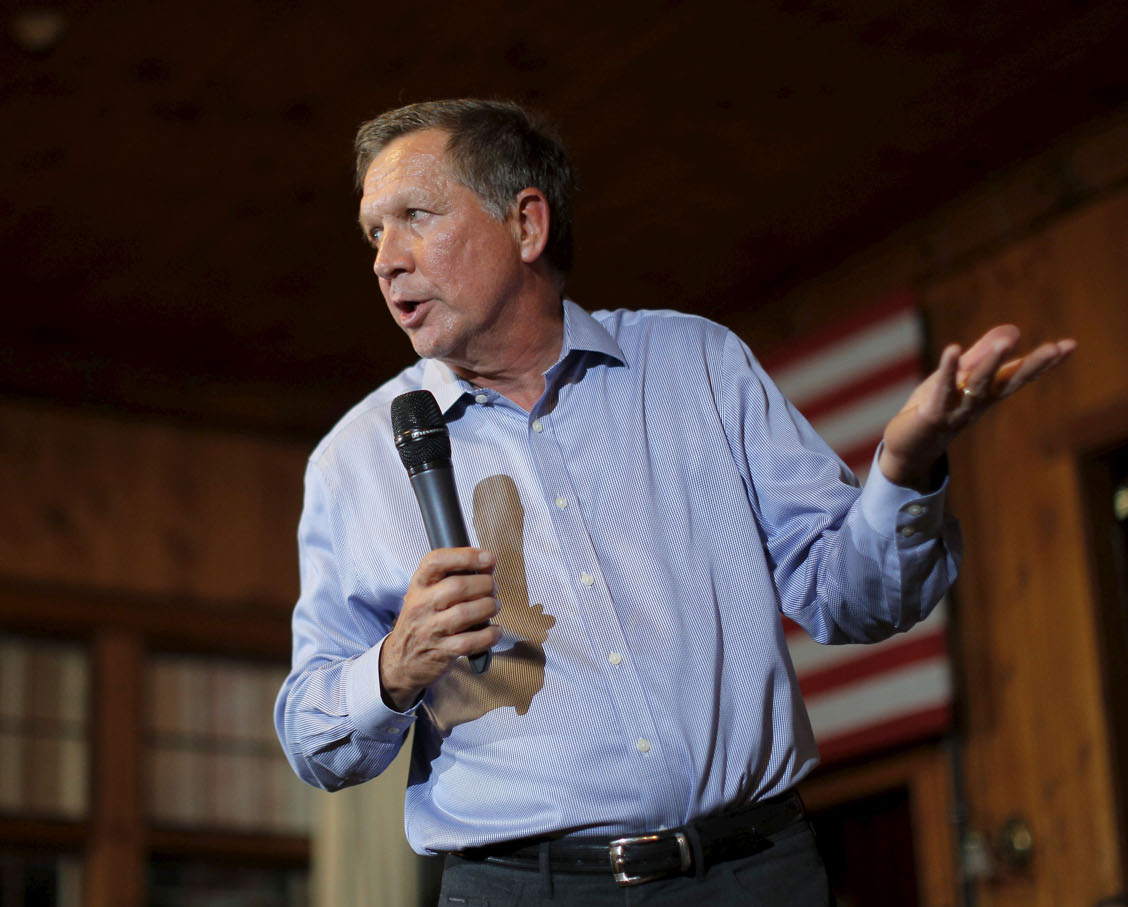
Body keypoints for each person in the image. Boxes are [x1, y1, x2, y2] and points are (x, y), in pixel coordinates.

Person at [274, 98, 1075, 905]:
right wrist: (390, 667)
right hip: (526, 889)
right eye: (374, 232)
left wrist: (905, 468)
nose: (385, 259)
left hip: (757, 872)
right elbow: (311, 736)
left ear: (526, 225)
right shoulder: (354, 460)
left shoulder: (696, 364)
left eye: (415, 216)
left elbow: (859, 600)